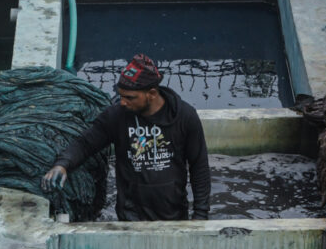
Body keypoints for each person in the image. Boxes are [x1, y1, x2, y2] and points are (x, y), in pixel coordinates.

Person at [43, 54, 211, 221]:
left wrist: (200, 214)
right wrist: (62, 165)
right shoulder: (116, 116)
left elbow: (199, 167)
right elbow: (85, 143)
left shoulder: (185, 117)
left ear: (151, 93)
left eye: (130, 97)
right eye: (121, 95)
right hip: (131, 217)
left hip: (174, 214)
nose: (122, 102)